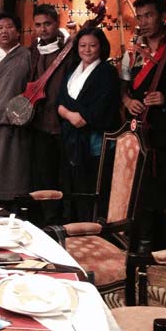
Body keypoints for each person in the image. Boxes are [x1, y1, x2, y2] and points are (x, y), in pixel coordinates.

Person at [120, 0, 166, 265]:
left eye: (148, 15)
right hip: (140, 132)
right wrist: (128, 101)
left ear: (162, 15)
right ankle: (143, 249)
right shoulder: (133, 50)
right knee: (142, 194)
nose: (143, 22)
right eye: (139, 16)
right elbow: (124, 86)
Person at [57, 26, 120, 222]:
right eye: (83, 45)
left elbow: (103, 106)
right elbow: (59, 102)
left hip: (94, 142)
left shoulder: (107, 71)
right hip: (71, 138)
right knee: (71, 188)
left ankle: (92, 230)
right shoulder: (72, 70)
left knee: (92, 190)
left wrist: (79, 116)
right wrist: (69, 114)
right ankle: (72, 227)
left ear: (101, 47)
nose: (87, 50)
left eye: (93, 45)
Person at [28, 4, 73, 223]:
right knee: (42, 174)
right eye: (38, 25)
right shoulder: (34, 50)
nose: (43, 29)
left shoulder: (69, 51)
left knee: (62, 176)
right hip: (39, 123)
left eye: (47, 24)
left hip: (61, 123)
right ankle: (45, 220)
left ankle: (61, 222)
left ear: (57, 23)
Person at [0, 12, 32, 202]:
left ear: (18, 32)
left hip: (13, 122)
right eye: (0, 28)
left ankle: (13, 210)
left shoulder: (26, 56)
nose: (4, 31)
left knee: (12, 171)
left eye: (9, 27)